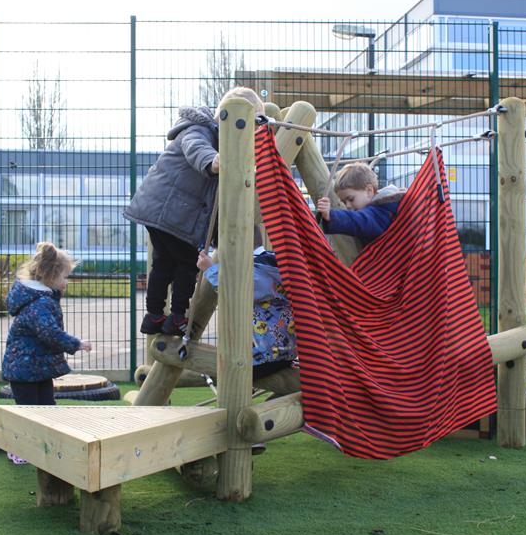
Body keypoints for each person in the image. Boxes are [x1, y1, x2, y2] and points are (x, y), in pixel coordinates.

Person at [124, 87, 265, 337]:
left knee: (163, 264)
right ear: (227, 120)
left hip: (161, 211)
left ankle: (154, 315)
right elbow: (195, 149)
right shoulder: (199, 131)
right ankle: (178, 316)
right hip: (173, 214)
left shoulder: (209, 134)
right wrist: (213, 161)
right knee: (188, 265)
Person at [1, 242, 92, 464]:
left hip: (36, 367)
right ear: (51, 276)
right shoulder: (39, 303)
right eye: (65, 276)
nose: (66, 281)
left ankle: (45, 444)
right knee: (29, 410)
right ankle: (19, 448)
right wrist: (76, 344)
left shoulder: (39, 298)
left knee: (46, 406)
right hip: (24, 369)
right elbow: (49, 332)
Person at [196, 227, 297, 381]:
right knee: (218, 371)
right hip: (280, 349)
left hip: (267, 352)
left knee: (223, 374)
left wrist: (211, 270)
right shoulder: (271, 261)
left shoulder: (260, 267)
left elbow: (240, 290)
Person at [316, 162, 406, 245]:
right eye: (344, 202)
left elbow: (359, 220)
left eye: (351, 199)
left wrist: (331, 216)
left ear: (369, 191)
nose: (347, 205)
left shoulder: (381, 211)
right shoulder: (386, 205)